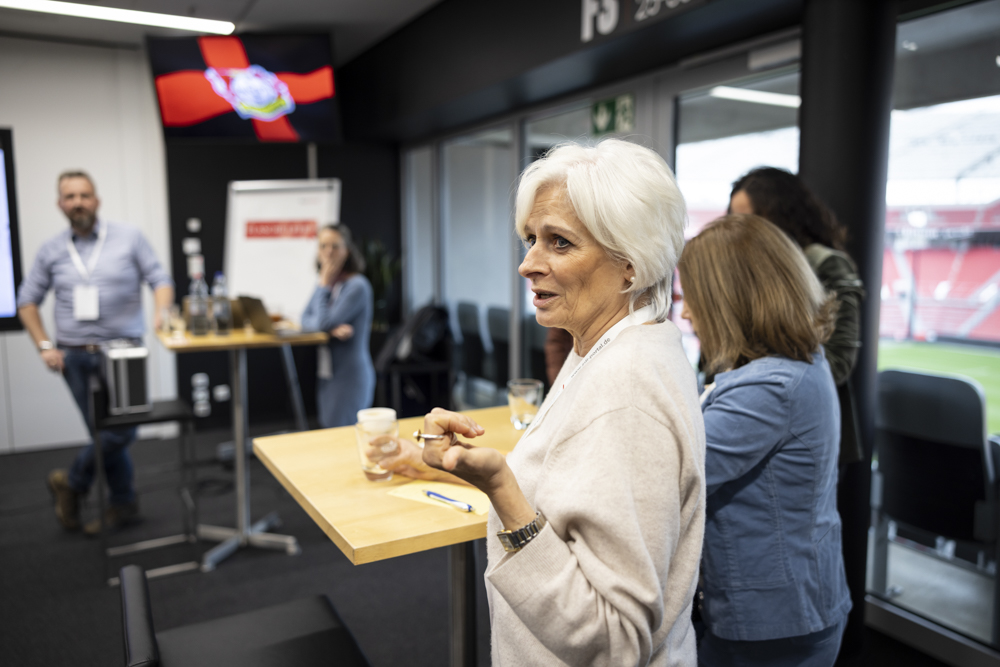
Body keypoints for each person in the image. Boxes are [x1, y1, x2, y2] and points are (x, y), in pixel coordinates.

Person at [382, 139, 706, 665]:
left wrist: (502, 489)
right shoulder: (606, 347)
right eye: (531, 239)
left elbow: (615, 640)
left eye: (559, 243)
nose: (528, 264)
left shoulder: (627, 386)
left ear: (631, 263)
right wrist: (467, 469)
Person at [678, 214, 851, 667]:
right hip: (788, 611)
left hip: (773, 625)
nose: (688, 314)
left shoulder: (770, 388)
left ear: (731, 300)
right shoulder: (793, 364)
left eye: (694, 298)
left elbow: (674, 471)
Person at [17, 171, 174, 534]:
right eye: (70, 196)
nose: (78, 202)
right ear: (60, 205)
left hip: (124, 353)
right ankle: (124, 504)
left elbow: (160, 279)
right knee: (103, 435)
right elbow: (27, 302)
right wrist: (44, 346)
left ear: (97, 200)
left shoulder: (129, 238)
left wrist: (160, 313)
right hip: (73, 357)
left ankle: (71, 483)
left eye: (84, 195)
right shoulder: (51, 249)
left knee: (121, 432)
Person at [728, 167, 864, 468]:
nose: (741, 230)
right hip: (749, 419)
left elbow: (839, 361)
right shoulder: (745, 270)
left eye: (751, 219)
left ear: (780, 216)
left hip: (807, 434)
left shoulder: (826, 264)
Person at [301, 223, 375, 428]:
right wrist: (329, 328)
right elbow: (305, 320)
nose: (328, 252)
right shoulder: (331, 285)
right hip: (328, 374)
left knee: (343, 436)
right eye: (323, 246)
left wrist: (323, 284)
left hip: (350, 376)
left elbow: (322, 321)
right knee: (329, 431)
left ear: (347, 250)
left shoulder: (357, 286)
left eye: (335, 246)